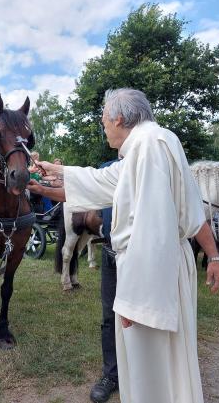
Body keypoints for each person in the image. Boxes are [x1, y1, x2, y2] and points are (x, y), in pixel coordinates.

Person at [27, 88, 219, 403]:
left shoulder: (150, 146)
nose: (103, 126)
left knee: (153, 373)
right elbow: (103, 181)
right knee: (151, 370)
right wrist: (56, 173)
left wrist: (136, 300)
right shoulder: (145, 146)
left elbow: (151, 228)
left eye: (104, 118)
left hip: (151, 282)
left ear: (118, 117)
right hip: (153, 276)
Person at [90, 159, 119, 403]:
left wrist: (214, 256)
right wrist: (39, 187)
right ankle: (112, 375)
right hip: (110, 253)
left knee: (141, 317)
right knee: (109, 315)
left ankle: (142, 372)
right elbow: (83, 186)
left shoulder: (150, 161)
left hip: (140, 254)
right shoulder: (107, 168)